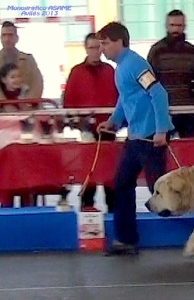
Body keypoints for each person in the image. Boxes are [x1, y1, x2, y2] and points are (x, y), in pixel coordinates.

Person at [96, 22, 175, 255]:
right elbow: (126, 99)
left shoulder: (135, 64)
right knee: (122, 184)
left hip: (150, 136)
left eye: (105, 43)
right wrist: (113, 122)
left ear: (119, 42)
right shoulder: (121, 68)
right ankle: (126, 239)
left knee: (159, 188)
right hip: (135, 137)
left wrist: (161, 130)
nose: (102, 49)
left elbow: (158, 93)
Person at [63, 32, 118, 213]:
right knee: (89, 176)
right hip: (86, 133)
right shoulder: (76, 72)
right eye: (92, 47)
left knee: (110, 177)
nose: (95, 51)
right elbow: (68, 104)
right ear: (86, 49)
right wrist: (79, 125)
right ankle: (87, 214)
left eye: (98, 47)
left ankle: (112, 216)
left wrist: (117, 123)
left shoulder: (111, 71)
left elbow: (120, 99)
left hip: (109, 131)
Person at [147, 10, 194, 138]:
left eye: (179, 25)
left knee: (190, 150)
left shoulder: (192, 51)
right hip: (164, 110)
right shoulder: (156, 51)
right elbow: (148, 80)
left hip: (188, 111)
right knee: (163, 150)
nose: (176, 29)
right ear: (166, 26)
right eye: (172, 25)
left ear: (184, 26)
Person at [0, 21, 43, 100]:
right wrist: (6, 105)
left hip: (28, 108)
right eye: (4, 35)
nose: (7, 39)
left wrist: (26, 104)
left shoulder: (28, 60)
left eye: (10, 35)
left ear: (17, 38)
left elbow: (37, 84)